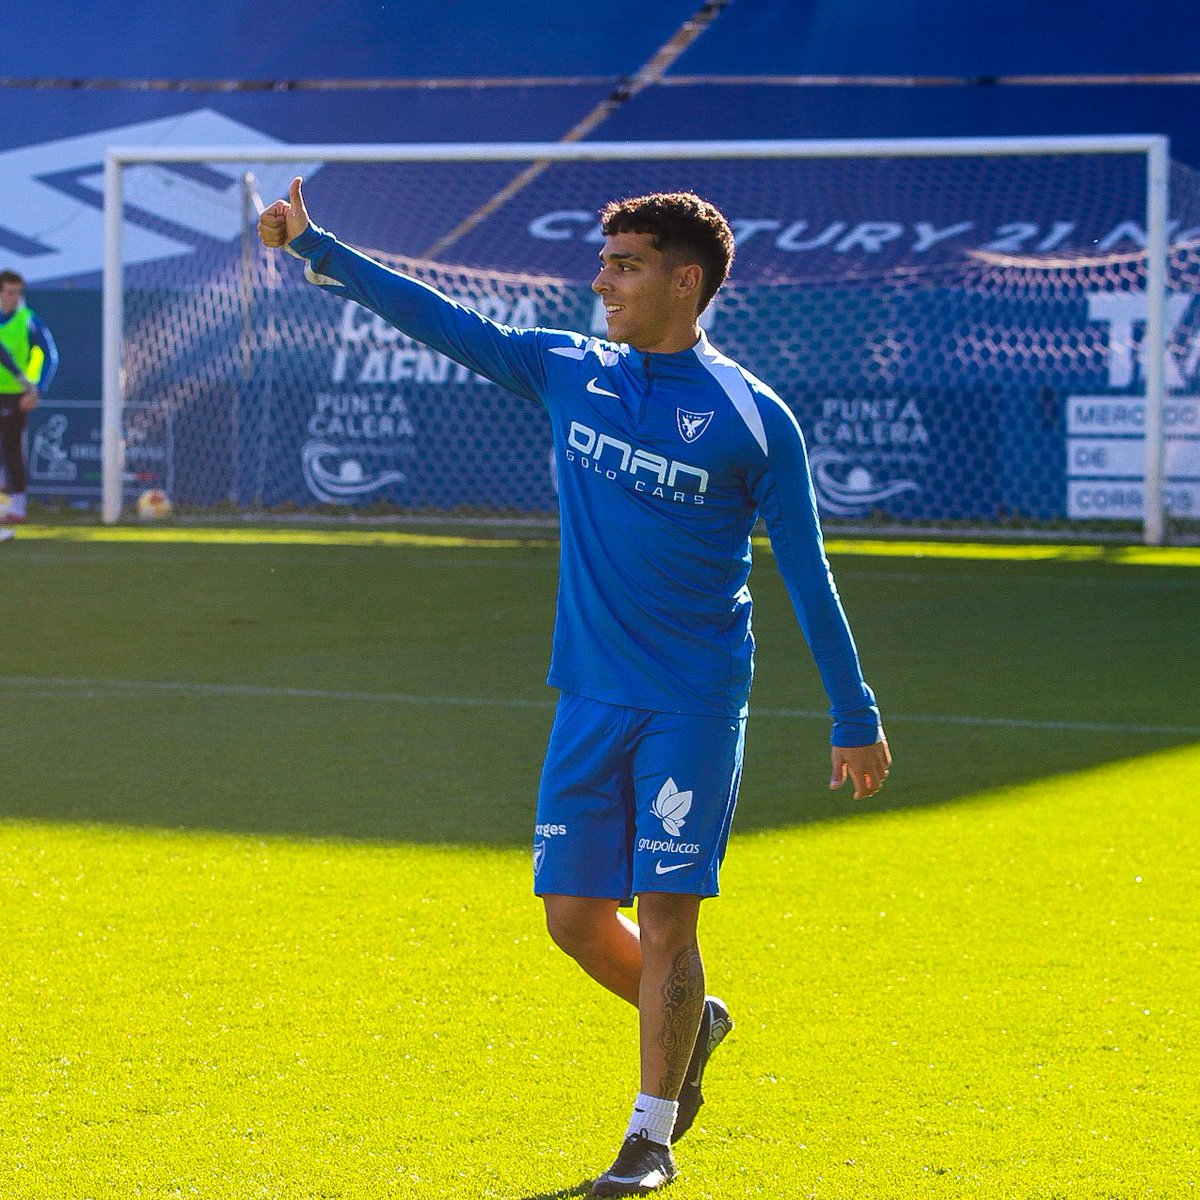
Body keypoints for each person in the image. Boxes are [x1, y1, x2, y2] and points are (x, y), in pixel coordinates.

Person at [259, 178, 891, 1197]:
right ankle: (695, 1022)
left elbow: (808, 572)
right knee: (571, 919)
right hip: (589, 695)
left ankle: (650, 1140)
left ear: (685, 281)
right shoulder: (567, 369)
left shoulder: (753, 417)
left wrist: (853, 713)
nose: (602, 283)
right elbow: (444, 321)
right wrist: (314, 246)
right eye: (603, 263)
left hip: (692, 700)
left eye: (625, 267)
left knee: (669, 918)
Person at [0, 269, 59, 524]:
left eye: (18, 293)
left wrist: (36, 388)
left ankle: (18, 507)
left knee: (12, 446)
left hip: (15, 395)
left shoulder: (28, 320)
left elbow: (49, 354)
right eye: (9, 292)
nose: (14, 298)